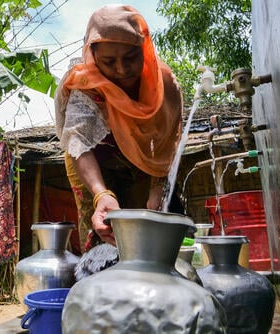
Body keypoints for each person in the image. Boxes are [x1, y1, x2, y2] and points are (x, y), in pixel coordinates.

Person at [55, 4, 184, 252]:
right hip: (91, 164)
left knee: (149, 230)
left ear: (144, 49)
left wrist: (158, 187)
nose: (122, 70)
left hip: (145, 163)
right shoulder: (85, 85)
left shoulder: (163, 85)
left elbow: (170, 142)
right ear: (93, 56)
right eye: (109, 61)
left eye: (130, 58)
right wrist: (100, 194)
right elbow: (78, 142)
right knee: (105, 233)